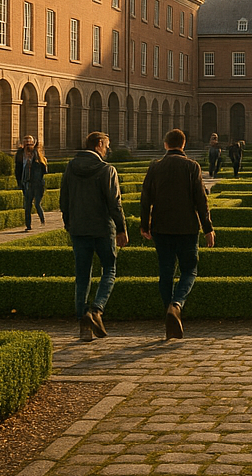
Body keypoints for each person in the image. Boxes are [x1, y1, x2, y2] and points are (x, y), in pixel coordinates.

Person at [140, 129, 216, 340]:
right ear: (183, 144)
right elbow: (201, 200)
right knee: (189, 270)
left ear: (166, 144)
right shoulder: (192, 166)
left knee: (165, 271)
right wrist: (208, 228)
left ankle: (169, 313)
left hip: (161, 227)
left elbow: (145, 197)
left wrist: (144, 224)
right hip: (187, 227)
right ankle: (177, 304)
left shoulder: (155, 167)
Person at [59, 132, 129, 342]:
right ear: (99, 144)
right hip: (102, 229)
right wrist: (121, 228)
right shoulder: (107, 169)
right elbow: (114, 203)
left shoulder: (71, 167)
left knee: (82, 276)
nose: (108, 149)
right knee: (109, 269)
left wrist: (68, 222)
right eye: (107, 145)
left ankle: (83, 323)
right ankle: (97, 310)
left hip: (79, 228)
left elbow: (64, 198)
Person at [14, 134, 48, 230]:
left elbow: (44, 170)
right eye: (26, 143)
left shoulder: (37, 154)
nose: (28, 145)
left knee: (37, 203)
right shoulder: (20, 155)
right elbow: (17, 169)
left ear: (33, 143)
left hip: (37, 183)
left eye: (30, 143)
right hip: (26, 182)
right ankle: (28, 225)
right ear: (23, 144)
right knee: (27, 204)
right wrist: (19, 182)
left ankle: (42, 219)